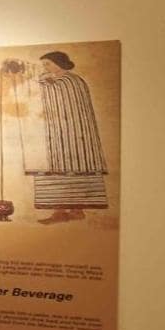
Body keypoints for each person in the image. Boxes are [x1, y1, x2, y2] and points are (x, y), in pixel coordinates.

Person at [28, 51, 109, 224]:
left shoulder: (71, 81)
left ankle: (73, 211)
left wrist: (41, 82)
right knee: (59, 168)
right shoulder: (55, 80)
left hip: (75, 134)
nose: (45, 68)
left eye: (48, 64)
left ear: (59, 63)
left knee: (74, 167)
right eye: (44, 65)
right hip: (58, 133)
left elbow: (60, 97)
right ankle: (62, 211)